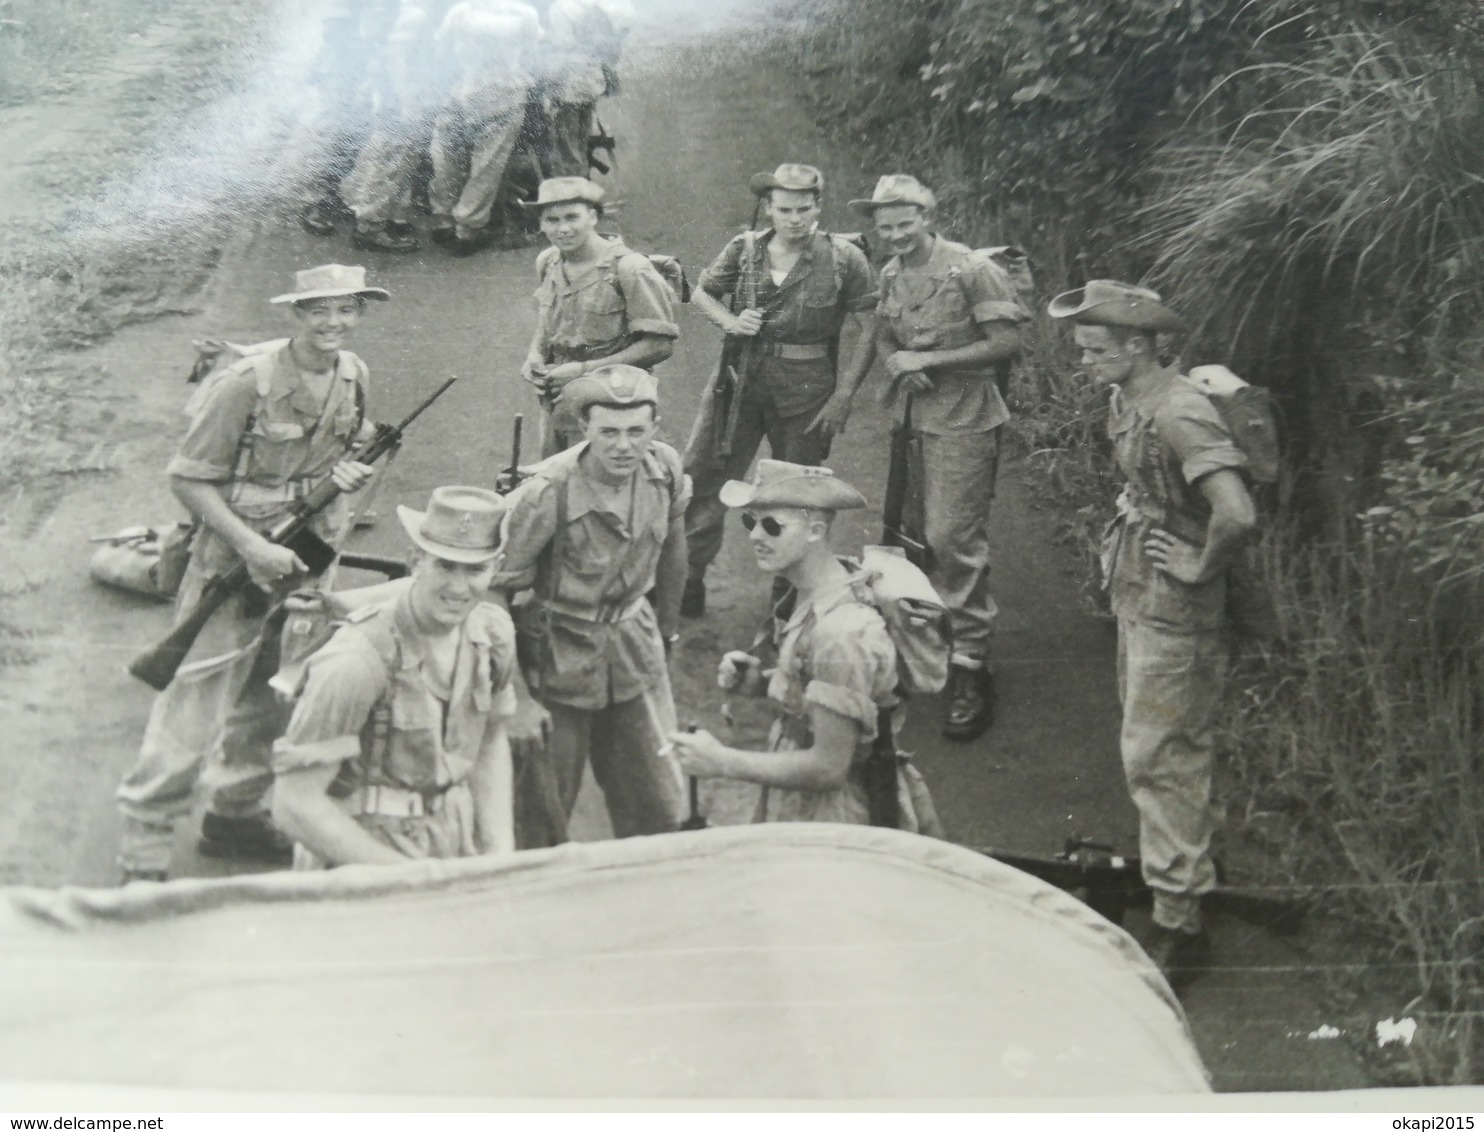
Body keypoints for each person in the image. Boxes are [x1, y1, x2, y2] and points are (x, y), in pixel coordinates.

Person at [115, 264, 385, 883]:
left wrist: (346, 472)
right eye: (320, 310)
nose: (333, 323)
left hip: (307, 558)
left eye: (346, 310)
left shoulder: (353, 374)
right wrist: (250, 547)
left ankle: (234, 816)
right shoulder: (247, 384)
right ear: (297, 314)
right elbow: (187, 478)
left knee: (275, 691)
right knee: (195, 706)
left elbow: (341, 447)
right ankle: (144, 854)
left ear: (360, 314)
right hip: (232, 560)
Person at [1048, 279, 1258, 983]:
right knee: (1164, 742)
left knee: (1159, 754)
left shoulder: (1179, 411)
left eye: (1095, 350)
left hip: (1177, 606)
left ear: (1139, 346)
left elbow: (1236, 511)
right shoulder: (1129, 395)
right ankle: (1189, 868)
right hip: (1141, 586)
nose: (1085, 362)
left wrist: (1200, 566)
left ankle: (1179, 920)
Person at [850, 174, 1028, 742]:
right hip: (912, 420)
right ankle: (927, 645)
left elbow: (1006, 342)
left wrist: (933, 362)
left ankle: (972, 661)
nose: (897, 235)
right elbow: (881, 330)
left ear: (928, 216)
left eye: (906, 224)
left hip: (966, 417)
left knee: (952, 536)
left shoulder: (972, 269)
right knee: (911, 534)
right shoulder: (892, 272)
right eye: (886, 228)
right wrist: (897, 357)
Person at [667, 460, 937, 832]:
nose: (755, 536)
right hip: (799, 799)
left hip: (835, 816)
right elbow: (817, 685)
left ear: (815, 530)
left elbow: (828, 767)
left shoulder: (841, 632)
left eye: (772, 525)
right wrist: (763, 683)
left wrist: (721, 761)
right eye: (751, 522)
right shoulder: (819, 590)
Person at [272, 486, 519, 865]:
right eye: (444, 565)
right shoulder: (357, 660)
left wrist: (498, 846)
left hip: (451, 836)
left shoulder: (492, 635)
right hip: (360, 849)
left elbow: (489, 739)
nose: (458, 587)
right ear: (414, 561)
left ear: (496, 568)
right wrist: (407, 877)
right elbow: (295, 804)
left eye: (475, 569)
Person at [493, 364, 687, 845]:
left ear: (655, 429)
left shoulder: (664, 469)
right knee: (545, 803)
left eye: (636, 431)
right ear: (585, 430)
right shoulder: (546, 493)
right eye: (609, 433)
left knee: (658, 799)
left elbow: (675, 546)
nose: (624, 446)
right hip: (558, 653)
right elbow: (492, 592)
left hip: (633, 646)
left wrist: (666, 628)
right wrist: (514, 695)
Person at [679, 162, 877, 618]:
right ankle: (688, 578)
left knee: (796, 495)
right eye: (784, 209)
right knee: (704, 476)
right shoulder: (745, 249)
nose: (794, 219)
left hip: (806, 393)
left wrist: (844, 395)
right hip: (738, 385)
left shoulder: (845, 259)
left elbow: (871, 327)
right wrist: (730, 321)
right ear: (768, 208)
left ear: (818, 207)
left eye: (803, 209)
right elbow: (702, 292)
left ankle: (790, 594)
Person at [519, 177, 678, 458]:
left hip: (618, 406)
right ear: (541, 224)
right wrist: (534, 356)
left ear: (592, 217)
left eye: (572, 217)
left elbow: (659, 345)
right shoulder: (548, 262)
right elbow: (548, 323)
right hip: (558, 399)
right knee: (558, 481)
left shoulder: (629, 268)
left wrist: (583, 371)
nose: (563, 228)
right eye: (552, 220)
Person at [427, 0, 543, 256]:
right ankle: (466, 231)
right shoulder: (524, 13)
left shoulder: (462, 10)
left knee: (447, 159)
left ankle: (444, 217)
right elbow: (532, 55)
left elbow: (440, 48)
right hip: (504, 93)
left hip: (462, 91)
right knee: (487, 167)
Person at [336, 0, 447, 253]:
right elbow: (397, 59)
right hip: (400, 99)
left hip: (390, 95)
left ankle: (373, 211)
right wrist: (407, 101)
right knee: (391, 161)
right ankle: (370, 228)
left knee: (390, 156)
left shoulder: (390, 11)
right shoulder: (413, 14)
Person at [536, 0, 633, 179]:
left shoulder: (561, 9)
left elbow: (561, 49)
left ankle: (572, 190)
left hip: (569, 85)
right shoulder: (592, 6)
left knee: (567, 147)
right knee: (581, 140)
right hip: (592, 82)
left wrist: (549, 86)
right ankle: (583, 182)